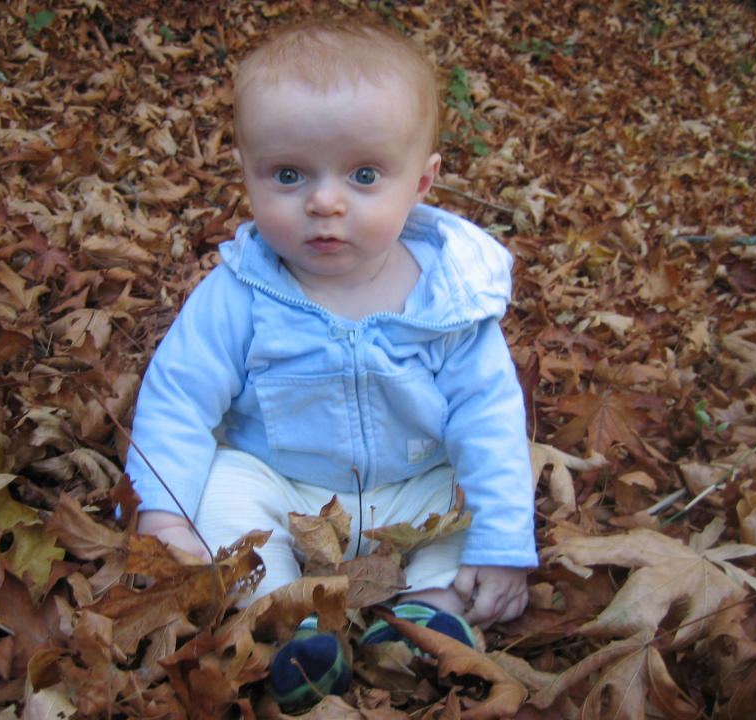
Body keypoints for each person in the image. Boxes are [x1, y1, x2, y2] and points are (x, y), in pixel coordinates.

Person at [124, 16, 538, 712]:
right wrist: (162, 514)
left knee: (467, 494)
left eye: (365, 174)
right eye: (288, 174)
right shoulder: (241, 293)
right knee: (222, 484)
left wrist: (501, 541)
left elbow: (488, 419)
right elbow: (178, 397)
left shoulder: (449, 301)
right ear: (247, 176)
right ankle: (290, 623)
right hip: (281, 483)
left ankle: (428, 613)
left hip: (412, 484)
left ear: (423, 182)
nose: (324, 201)